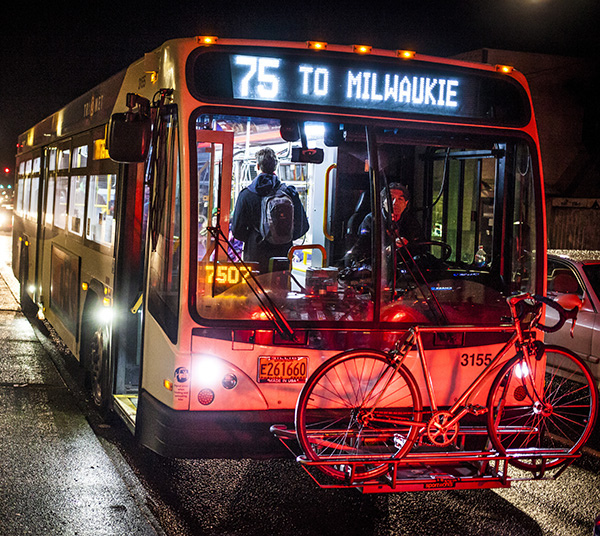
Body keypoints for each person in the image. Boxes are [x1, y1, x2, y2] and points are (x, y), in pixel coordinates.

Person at [231, 147, 309, 273]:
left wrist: (254, 238)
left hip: (255, 255)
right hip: (283, 255)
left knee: (254, 290)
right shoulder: (290, 193)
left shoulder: (246, 195)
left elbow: (236, 230)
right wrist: (285, 236)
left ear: (257, 166)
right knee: (281, 290)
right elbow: (303, 226)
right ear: (276, 167)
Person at [346, 183, 424, 264]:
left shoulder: (411, 221)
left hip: (403, 269)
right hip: (377, 269)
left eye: (400, 199)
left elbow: (421, 247)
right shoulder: (371, 220)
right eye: (391, 198)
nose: (395, 203)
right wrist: (387, 250)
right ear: (383, 202)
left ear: (406, 203)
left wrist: (408, 246)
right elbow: (361, 252)